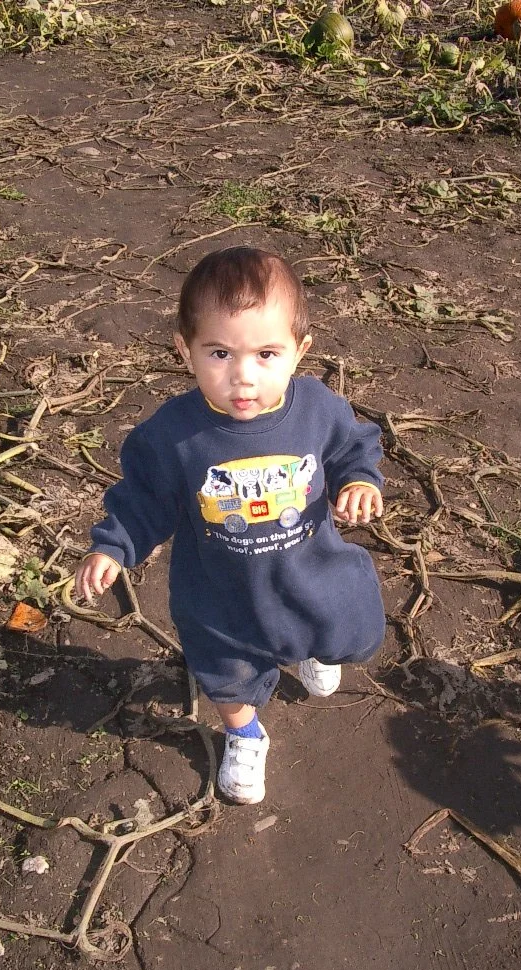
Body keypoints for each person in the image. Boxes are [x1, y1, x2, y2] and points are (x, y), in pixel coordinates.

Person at [75, 246, 386, 804]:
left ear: (300, 352)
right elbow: (143, 499)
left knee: (338, 626)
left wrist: (360, 480)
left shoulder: (317, 408)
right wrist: (114, 546)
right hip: (220, 589)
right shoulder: (172, 435)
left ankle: (315, 650)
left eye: (267, 353)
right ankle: (244, 732)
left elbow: (352, 448)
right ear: (185, 350)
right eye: (219, 352)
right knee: (222, 668)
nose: (243, 377)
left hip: (308, 569)